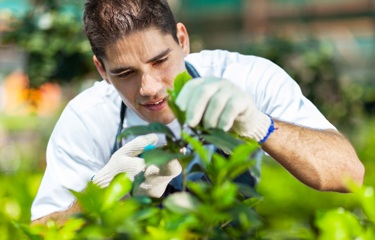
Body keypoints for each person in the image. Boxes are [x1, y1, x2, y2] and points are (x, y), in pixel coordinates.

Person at [30, 0, 365, 225]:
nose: (149, 87)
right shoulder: (87, 118)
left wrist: (260, 126)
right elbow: (39, 231)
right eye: (125, 73)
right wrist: (98, 198)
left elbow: (349, 173)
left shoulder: (247, 76)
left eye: (160, 61)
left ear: (182, 39)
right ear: (101, 70)